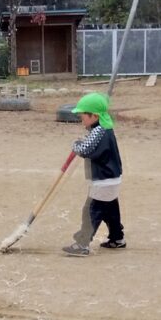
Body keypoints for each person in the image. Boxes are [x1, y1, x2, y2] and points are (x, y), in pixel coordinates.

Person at [63, 92, 125, 257]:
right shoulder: (104, 128)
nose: (81, 118)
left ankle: (82, 244)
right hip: (112, 178)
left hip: (103, 180)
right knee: (110, 211)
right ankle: (117, 238)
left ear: (94, 116)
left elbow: (84, 150)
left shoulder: (99, 132)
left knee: (91, 211)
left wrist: (75, 143)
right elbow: (91, 144)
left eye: (83, 115)